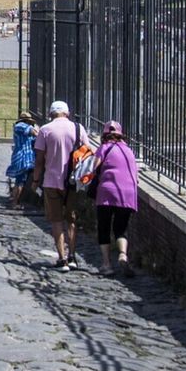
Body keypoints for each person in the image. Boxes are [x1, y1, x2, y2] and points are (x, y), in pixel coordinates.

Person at [34, 100, 91, 270]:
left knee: (56, 220)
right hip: (73, 181)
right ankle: (73, 256)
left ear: (51, 114)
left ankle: (62, 258)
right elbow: (87, 153)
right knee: (71, 219)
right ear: (67, 113)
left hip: (52, 181)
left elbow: (39, 160)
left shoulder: (45, 130)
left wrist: (35, 180)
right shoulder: (78, 128)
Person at [93, 120, 140, 277]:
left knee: (104, 227)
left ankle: (106, 264)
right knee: (121, 228)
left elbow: (94, 169)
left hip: (107, 192)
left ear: (105, 135)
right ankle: (123, 254)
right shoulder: (129, 151)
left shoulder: (104, 148)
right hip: (127, 193)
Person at [5, 112, 38, 210]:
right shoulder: (20, 126)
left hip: (28, 157)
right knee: (20, 181)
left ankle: (20, 199)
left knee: (23, 181)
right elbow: (35, 133)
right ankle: (15, 202)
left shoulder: (26, 128)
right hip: (22, 157)